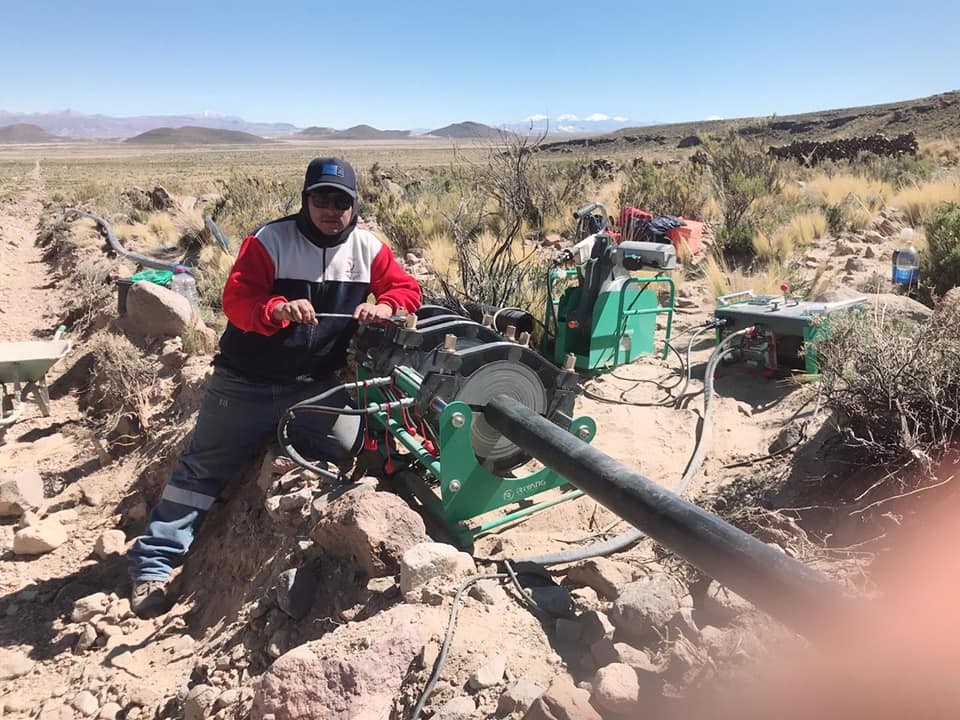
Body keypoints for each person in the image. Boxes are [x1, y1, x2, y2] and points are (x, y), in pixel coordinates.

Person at [127, 157, 421, 618]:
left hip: (314, 387)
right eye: (321, 198)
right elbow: (236, 301)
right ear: (305, 199)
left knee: (348, 445)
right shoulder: (270, 240)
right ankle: (153, 566)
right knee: (201, 469)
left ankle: (272, 443)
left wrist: (385, 306)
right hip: (245, 382)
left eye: (341, 201)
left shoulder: (368, 248)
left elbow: (407, 290)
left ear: (354, 205)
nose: (331, 209)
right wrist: (276, 311)